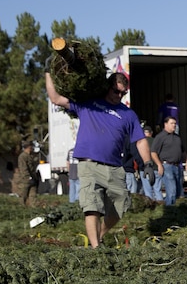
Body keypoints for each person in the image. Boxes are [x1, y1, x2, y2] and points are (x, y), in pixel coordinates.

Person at [45, 70, 151, 248]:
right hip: (89, 164)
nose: (118, 96)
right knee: (92, 207)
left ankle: (99, 235)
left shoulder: (128, 114)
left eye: (123, 93)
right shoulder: (89, 104)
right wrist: (48, 74)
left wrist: (147, 163)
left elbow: (140, 140)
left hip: (115, 167)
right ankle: (96, 248)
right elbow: (56, 98)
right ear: (107, 87)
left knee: (122, 204)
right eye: (115, 91)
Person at [151, 116, 187, 205]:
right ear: (165, 124)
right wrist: (159, 165)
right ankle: (169, 211)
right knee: (171, 192)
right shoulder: (160, 137)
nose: (174, 125)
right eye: (172, 123)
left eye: (175, 123)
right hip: (167, 166)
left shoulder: (177, 138)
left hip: (178, 167)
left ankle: (178, 212)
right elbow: (153, 152)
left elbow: (183, 151)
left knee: (179, 193)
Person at [15, 140, 40, 206]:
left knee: (33, 196)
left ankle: (34, 210)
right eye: (32, 146)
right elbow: (23, 168)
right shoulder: (22, 156)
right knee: (23, 197)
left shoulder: (30, 156)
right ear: (29, 147)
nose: (33, 148)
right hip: (25, 180)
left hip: (33, 179)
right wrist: (28, 177)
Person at [138, 127, 159, 200]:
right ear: (151, 133)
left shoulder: (140, 142)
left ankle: (151, 208)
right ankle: (161, 206)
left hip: (145, 168)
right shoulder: (156, 141)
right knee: (157, 190)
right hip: (156, 168)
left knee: (148, 191)